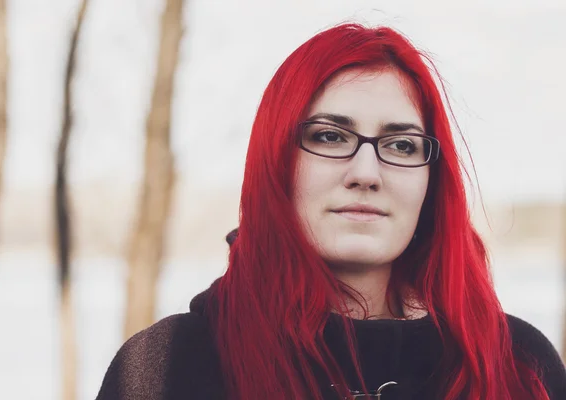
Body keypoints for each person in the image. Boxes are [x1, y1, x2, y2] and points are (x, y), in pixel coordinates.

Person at [95, 23, 566, 400]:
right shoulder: (170, 368)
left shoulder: (520, 366)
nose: (367, 172)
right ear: (277, 162)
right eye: (329, 136)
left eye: (401, 144)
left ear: (432, 179)